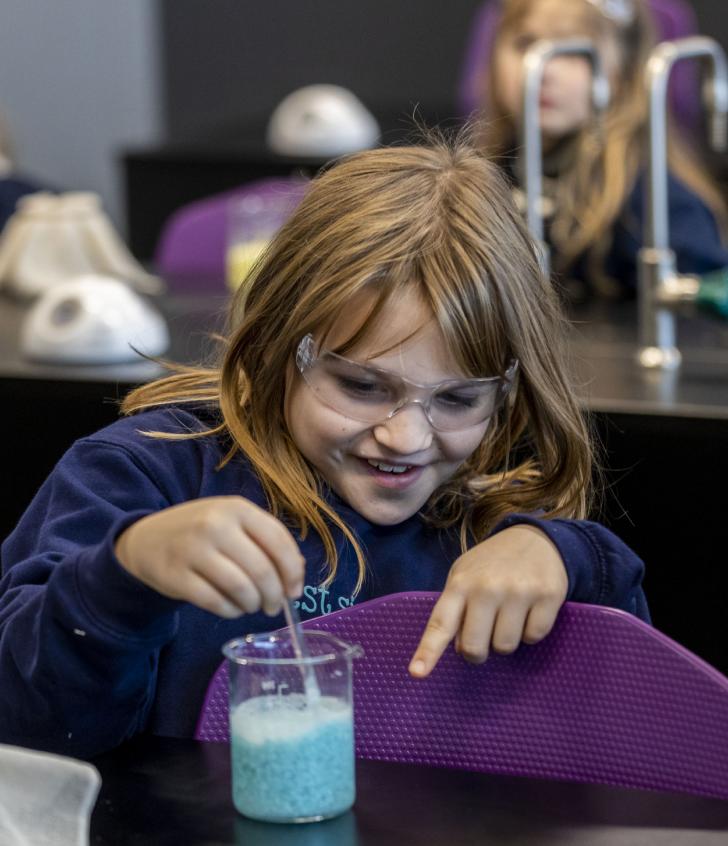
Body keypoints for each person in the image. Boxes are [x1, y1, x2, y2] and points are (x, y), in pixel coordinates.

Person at [0, 132, 648, 759]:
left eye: (457, 399)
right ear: (283, 341)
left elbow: (637, 729)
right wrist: (127, 573)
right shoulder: (141, 475)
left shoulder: (496, 517)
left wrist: (572, 557)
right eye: (361, 385)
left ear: (507, 391)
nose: (405, 437)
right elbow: (29, 724)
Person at [477, 0, 728, 298]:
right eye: (525, 43)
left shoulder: (653, 203)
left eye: (572, 52)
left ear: (621, 73)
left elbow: (704, 319)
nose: (543, 69)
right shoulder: (486, 175)